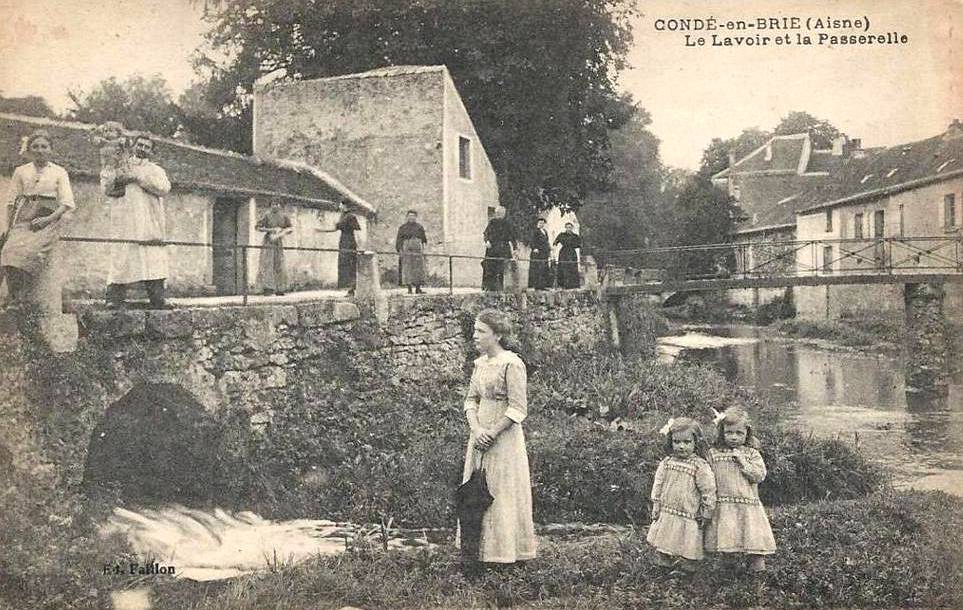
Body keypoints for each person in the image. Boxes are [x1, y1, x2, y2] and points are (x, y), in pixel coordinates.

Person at [460, 309, 537, 566]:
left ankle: (504, 554)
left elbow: (518, 408)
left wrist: (492, 433)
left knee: (501, 491)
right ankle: (477, 554)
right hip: (480, 436)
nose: (475, 336)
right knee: (476, 489)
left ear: (498, 335)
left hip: (503, 439)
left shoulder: (512, 364)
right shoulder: (480, 364)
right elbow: (471, 400)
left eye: (481, 331)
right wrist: (477, 430)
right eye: (474, 330)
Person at [1, 130, 75, 312]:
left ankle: (23, 299)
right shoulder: (21, 171)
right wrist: (8, 227)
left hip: (49, 216)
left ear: (50, 150)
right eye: (35, 147)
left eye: (44, 146)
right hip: (24, 216)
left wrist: (47, 220)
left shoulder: (59, 172)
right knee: (9, 251)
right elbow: (11, 201)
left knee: (28, 252)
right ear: (29, 150)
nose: (40, 150)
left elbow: (66, 203)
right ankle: (15, 298)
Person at [101, 134, 173, 309]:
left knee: (153, 259)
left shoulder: (156, 170)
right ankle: (114, 299)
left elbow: (164, 188)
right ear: (133, 146)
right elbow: (106, 187)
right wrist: (119, 178)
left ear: (151, 151)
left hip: (148, 220)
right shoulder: (120, 165)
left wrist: (138, 178)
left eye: (147, 147)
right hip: (125, 221)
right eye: (140, 145)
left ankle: (157, 299)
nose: (142, 149)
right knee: (122, 257)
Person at [704, 407, 776, 573]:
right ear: (721, 432)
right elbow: (707, 476)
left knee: (754, 540)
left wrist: (743, 462)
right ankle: (729, 570)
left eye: (739, 433)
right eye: (729, 432)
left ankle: (758, 572)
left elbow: (759, 475)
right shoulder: (714, 453)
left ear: (747, 433)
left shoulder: (751, 453)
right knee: (727, 538)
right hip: (725, 503)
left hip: (747, 504)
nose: (734, 437)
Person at [646, 417, 716, 575]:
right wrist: (656, 504)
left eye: (686, 442)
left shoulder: (699, 465)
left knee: (688, 540)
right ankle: (664, 564)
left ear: (695, 443)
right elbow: (658, 484)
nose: (681, 446)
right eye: (677, 442)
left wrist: (707, 510)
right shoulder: (667, 462)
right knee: (665, 537)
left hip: (688, 512)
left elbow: (708, 490)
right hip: (668, 509)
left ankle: (688, 569)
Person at [318, 200, 361, 296]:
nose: (339, 206)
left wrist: (359, 246)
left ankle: (352, 289)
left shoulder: (351, 216)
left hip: (350, 242)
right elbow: (335, 228)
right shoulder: (343, 216)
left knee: (350, 265)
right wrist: (321, 230)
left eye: (341, 205)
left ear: (345, 206)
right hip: (343, 241)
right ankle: (348, 289)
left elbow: (357, 231)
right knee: (344, 264)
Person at [255, 199, 293, 296]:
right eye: (273, 204)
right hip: (268, 241)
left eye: (277, 204)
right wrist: (271, 230)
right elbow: (258, 227)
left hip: (278, 242)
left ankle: (280, 288)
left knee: (279, 264)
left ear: (280, 205)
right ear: (270, 205)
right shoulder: (267, 215)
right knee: (267, 264)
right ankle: (267, 288)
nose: (275, 206)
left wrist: (283, 232)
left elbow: (290, 228)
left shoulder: (284, 216)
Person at [481, 207, 516, 292]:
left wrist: (515, 248)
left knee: (501, 269)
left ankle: (500, 288)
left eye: (500, 213)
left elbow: (512, 237)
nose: (499, 215)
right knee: (489, 268)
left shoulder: (507, 224)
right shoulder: (492, 222)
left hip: (503, 249)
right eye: (497, 213)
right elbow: (486, 233)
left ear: (504, 214)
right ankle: (488, 287)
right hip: (492, 249)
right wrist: (487, 241)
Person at [395, 210, 427, 294]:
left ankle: (418, 288)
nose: (411, 217)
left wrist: (423, 250)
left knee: (418, 269)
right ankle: (409, 289)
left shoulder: (419, 227)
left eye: (413, 216)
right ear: (407, 217)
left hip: (417, 249)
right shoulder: (402, 228)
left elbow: (424, 240)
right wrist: (400, 250)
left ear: (416, 217)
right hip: (407, 249)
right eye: (409, 216)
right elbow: (399, 240)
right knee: (407, 268)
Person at [553, 222, 582, 289]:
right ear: (565, 228)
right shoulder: (562, 235)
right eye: (567, 227)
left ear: (572, 228)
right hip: (564, 253)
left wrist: (574, 245)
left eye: (570, 227)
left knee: (572, 267)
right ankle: (563, 284)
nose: (569, 229)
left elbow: (579, 244)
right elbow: (555, 242)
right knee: (563, 267)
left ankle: (573, 285)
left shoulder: (575, 236)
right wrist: (554, 249)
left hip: (572, 253)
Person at [527, 218, 551, 290]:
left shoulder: (545, 232)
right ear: (537, 224)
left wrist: (549, 250)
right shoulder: (535, 231)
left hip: (544, 253)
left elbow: (546, 242)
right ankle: (536, 286)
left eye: (543, 223)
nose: (541, 224)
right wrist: (534, 248)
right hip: (537, 253)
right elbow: (532, 240)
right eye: (540, 223)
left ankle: (542, 286)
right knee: (537, 269)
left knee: (543, 269)